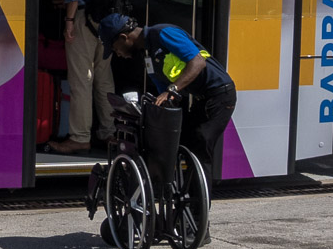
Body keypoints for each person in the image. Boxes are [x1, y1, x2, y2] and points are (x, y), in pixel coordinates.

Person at [98, 14, 236, 183]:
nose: (117, 54)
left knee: (201, 141)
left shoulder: (163, 33)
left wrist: (172, 90)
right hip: (202, 99)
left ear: (123, 37)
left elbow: (198, 62)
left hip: (221, 94)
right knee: (182, 140)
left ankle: (197, 205)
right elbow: (162, 89)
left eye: (114, 48)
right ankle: (179, 194)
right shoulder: (147, 53)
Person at [52, 0, 119, 154]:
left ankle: (79, 137)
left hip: (83, 18)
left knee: (81, 79)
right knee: (104, 78)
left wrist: (69, 21)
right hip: (109, 20)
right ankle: (110, 133)